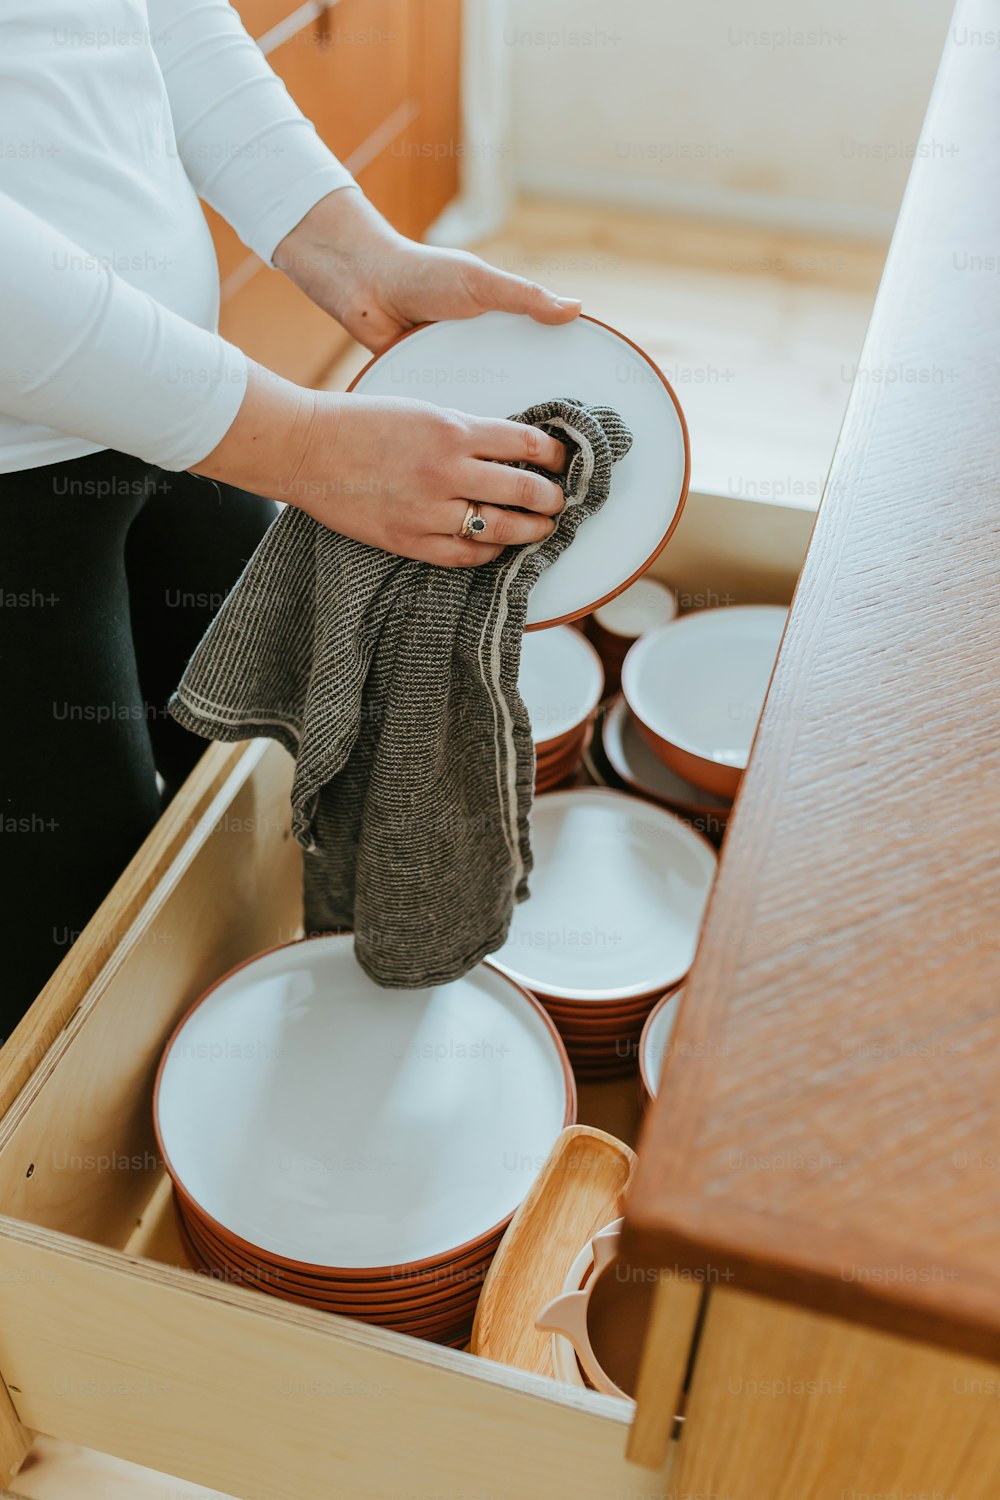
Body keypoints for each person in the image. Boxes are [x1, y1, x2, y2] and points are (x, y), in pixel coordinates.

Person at [0, 0, 581, 1033]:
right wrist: (308, 446)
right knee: (74, 911)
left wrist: (349, 246)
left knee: (244, 758)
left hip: (168, 409)